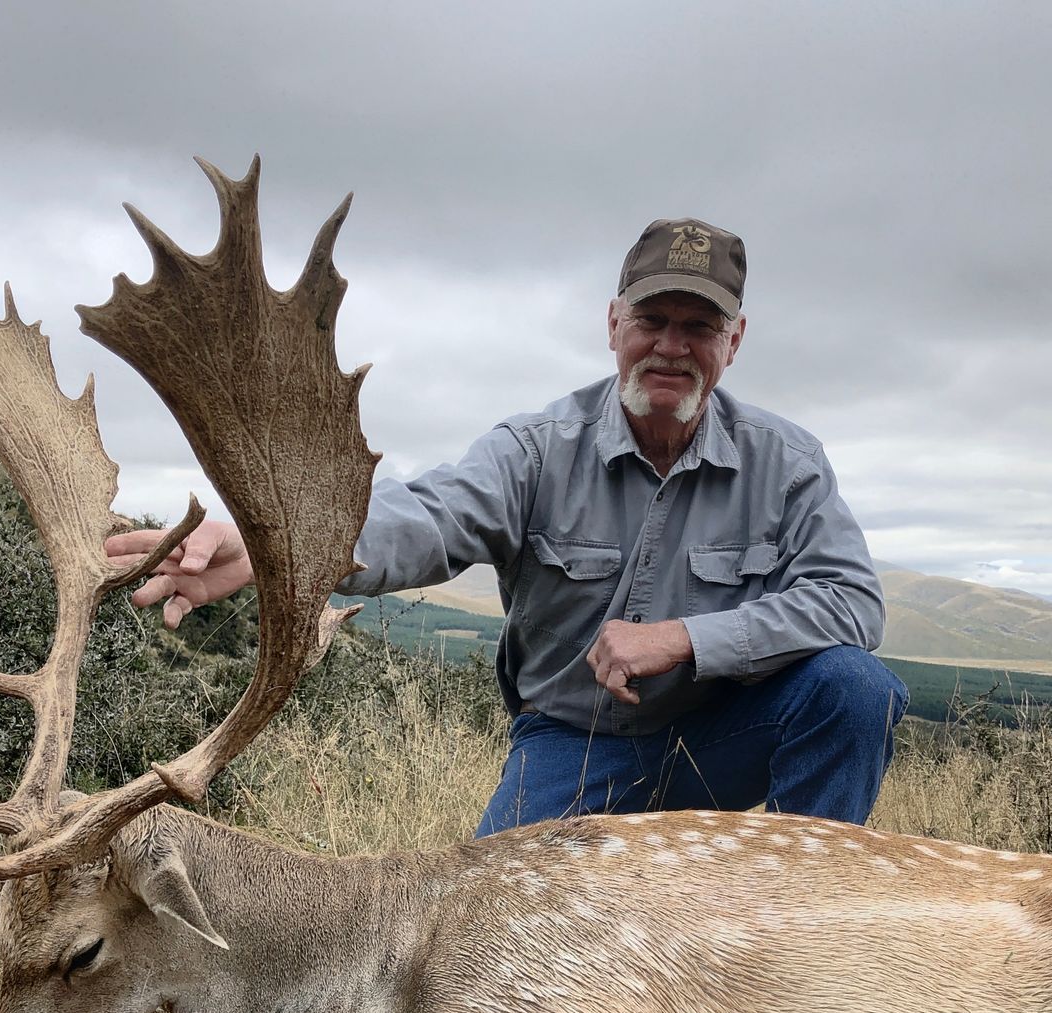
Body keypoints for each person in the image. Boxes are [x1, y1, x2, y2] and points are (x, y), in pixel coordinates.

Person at [107, 216, 908, 837]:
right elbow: (428, 516)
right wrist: (272, 541)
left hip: (722, 744)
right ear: (612, 324)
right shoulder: (535, 451)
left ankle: (797, 926)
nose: (671, 346)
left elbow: (852, 604)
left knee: (853, 689)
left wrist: (686, 640)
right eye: (652, 319)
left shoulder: (788, 463)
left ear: (733, 341)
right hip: (574, 745)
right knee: (482, 947)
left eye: (698, 327)